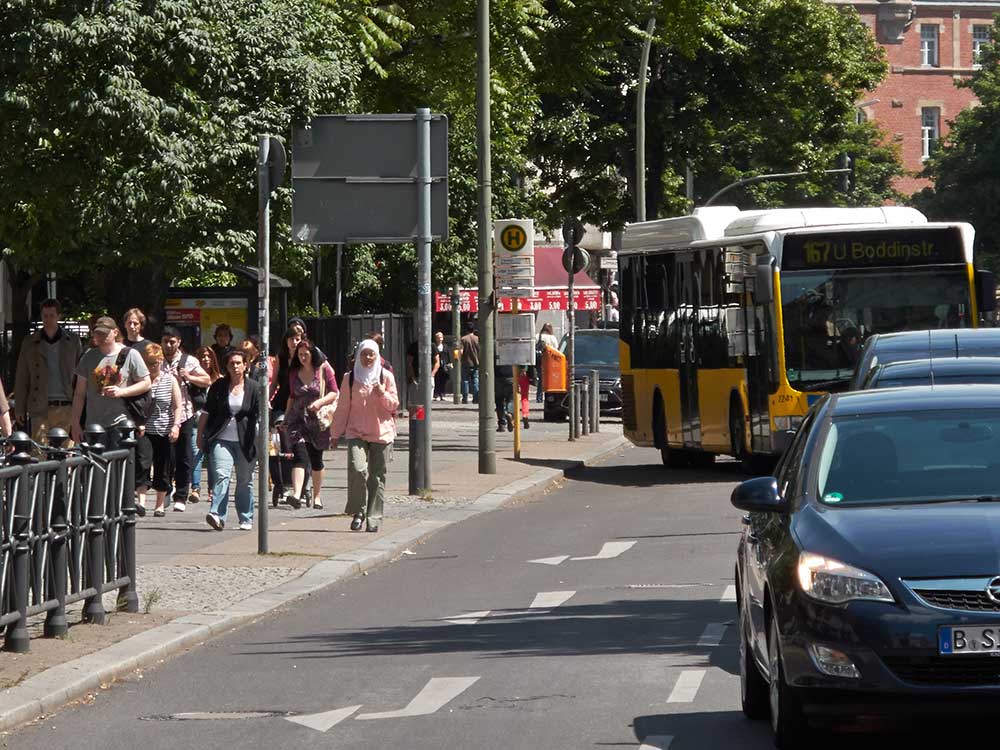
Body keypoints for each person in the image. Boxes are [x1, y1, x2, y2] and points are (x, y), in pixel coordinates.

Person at [331, 340, 399, 533]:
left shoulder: (386, 377)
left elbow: (394, 405)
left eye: (371, 354)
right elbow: (343, 407)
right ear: (358, 356)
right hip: (356, 432)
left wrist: (382, 393)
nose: (368, 358)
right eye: (364, 354)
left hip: (381, 433)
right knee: (357, 469)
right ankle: (358, 512)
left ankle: (374, 517)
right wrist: (335, 434)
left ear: (377, 356)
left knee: (377, 478)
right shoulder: (349, 378)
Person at [198, 350, 259, 531]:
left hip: (245, 440)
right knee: (222, 475)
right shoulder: (218, 386)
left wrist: (264, 440)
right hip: (221, 438)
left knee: (244, 480)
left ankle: (246, 517)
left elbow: (262, 415)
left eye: (239, 363)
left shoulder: (254, 387)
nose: (235, 366)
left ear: (245, 365)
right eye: (231, 363)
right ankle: (216, 514)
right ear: (227, 366)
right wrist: (201, 435)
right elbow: (206, 412)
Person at [70, 316, 151, 448]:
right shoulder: (88, 356)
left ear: (115, 332)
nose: (100, 337)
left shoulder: (131, 354)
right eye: (98, 333)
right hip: (94, 426)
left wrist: (122, 392)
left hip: (121, 424)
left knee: (120, 466)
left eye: (104, 333)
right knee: (96, 467)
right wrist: (75, 423)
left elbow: (146, 383)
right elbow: (79, 394)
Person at [13, 298, 82, 444]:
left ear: (58, 316)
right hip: (40, 407)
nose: (48, 319)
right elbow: (22, 377)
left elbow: (80, 377)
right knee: (40, 452)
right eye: (45, 316)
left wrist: (80, 409)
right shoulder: (30, 343)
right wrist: (19, 408)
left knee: (65, 453)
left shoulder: (72, 341)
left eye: (52, 315)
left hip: (65, 406)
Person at [160, 326, 211, 512]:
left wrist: (188, 376)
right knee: (166, 455)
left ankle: (181, 494)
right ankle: (164, 490)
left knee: (183, 454)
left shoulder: (188, 361)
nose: (168, 345)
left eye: (172, 342)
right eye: (165, 341)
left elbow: (207, 380)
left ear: (179, 342)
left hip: (185, 413)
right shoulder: (157, 361)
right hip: (162, 414)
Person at [284, 340, 339, 509]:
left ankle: (317, 496)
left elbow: (334, 392)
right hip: (298, 419)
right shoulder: (294, 372)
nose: (302, 357)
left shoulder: (323, 369)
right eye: (300, 355)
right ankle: (296, 494)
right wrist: (285, 418)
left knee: (316, 459)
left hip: (317, 421)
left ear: (312, 353)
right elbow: (292, 396)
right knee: (300, 454)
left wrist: (320, 403)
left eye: (305, 354)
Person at [141, 345, 183, 516]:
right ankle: (141, 503)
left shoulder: (170, 379)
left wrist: (176, 425)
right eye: (148, 363)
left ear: (160, 361)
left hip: (164, 429)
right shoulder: (142, 380)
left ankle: (159, 505)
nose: (151, 367)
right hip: (144, 429)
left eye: (154, 363)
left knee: (163, 466)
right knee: (143, 463)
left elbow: (177, 406)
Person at [189, 346, 222, 504]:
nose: (206, 359)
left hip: (214, 425)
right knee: (196, 454)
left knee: (212, 458)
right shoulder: (193, 381)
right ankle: (195, 489)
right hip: (196, 421)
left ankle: (212, 490)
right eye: (202, 356)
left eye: (209, 356)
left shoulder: (220, 379)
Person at [272, 325, 304, 415]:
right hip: (282, 401)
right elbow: (274, 382)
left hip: (300, 402)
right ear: (286, 340)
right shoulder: (281, 357)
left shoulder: (305, 357)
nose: (294, 342)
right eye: (291, 339)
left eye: (297, 339)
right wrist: (267, 400)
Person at [535, 323, 558, 403]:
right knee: (549, 378)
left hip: (539, 359)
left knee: (541, 378)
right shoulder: (552, 338)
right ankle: (549, 396)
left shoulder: (538, 336)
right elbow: (556, 349)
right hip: (549, 360)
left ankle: (539, 397)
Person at [460, 322, 480, 404]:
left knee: (465, 381)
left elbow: (461, 351)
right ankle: (476, 398)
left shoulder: (463, 339)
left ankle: (465, 398)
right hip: (476, 363)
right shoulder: (477, 339)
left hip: (466, 363)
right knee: (475, 380)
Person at [494, 364, 514, 432]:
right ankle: (510, 413)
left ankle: (502, 424)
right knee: (511, 399)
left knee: (499, 401)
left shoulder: (495, 352)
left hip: (498, 376)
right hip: (511, 375)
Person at [432, 332, 450, 400]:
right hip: (436, 365)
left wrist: (449, 363)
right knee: (436, 379)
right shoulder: (433, 345)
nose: (440, 339)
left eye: (441, 337)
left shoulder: (445, 346)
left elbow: (448, 355)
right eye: (439, 338)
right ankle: (436, 394)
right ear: (436, 338)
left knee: (443, 380)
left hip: (444, 365)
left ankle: (442, 394)